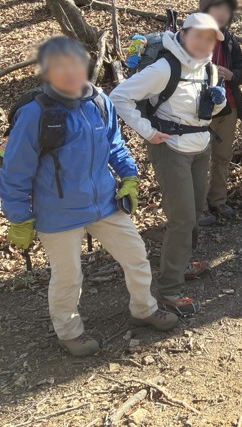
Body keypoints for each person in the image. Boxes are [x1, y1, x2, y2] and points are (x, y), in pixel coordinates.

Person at [0, 37, 178, 357]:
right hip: (58, 212)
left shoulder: (99, 101)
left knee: (136, 256)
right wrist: (19, 216)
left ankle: (144, 308)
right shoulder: (35, 113)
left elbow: (115, 145)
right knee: (69, 276)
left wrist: (129, 177)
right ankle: (69, 332)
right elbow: (15, 170)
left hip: (105, 202)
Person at [111, 14, 227, 316]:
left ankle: (183, 262)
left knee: (196, 210)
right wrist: (148, 131)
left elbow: (208, 110)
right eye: (198, 36)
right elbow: (119, 97)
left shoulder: (210, 69)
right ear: (184, 34)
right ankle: (169, 290)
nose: (204, 43)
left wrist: (219, 101)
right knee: (182, 219)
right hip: (171, 149)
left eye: (210, 38)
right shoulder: (165, 67)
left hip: (200, 146)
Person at [198, 0, 242, 227]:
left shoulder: (229, 39)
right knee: (197, 160)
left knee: (222, 156)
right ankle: (198, 207)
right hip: (198, 111)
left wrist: (232, 74)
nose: (222, 14)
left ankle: (217, 200)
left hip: (227, 107)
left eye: (227, 10)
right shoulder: (192, 36)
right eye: (218, 8)